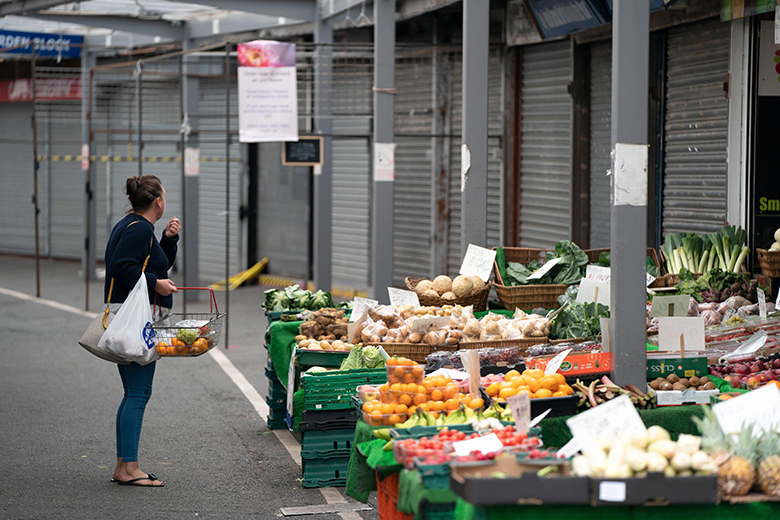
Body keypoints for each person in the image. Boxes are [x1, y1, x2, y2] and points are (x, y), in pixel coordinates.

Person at [103, 174, 180, 487]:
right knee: (138, 392)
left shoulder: (131, 225)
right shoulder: (139, 229)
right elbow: (122, 266)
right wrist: (155, 284)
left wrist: (168, 241)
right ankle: (130, 468)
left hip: (125, 316)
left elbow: (153, 266)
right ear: (158, 201)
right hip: (136, 321)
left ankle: (125, 465)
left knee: (132, 392)